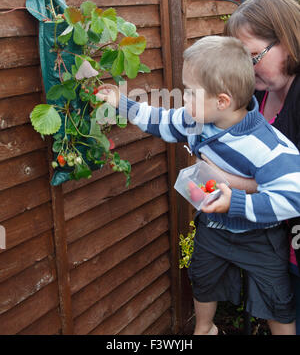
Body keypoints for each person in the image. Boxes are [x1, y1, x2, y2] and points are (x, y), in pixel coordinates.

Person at [96, 35, 300, 335]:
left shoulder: (268, 146)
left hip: (260, 238)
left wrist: (237, 203)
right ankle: (204, 329)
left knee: (276, 299)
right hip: (215, 228)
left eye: (191, 93)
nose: (184, 100)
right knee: (202, 279)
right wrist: (122, 104)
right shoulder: (196, 119)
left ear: (222, 101)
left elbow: (292, 196)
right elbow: (160, 119)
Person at [219, 0, 300, 335]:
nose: (248, 73)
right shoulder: (260, 94)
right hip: (280, 243)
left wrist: (233, 185)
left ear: (288, 40)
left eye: (253, 57)